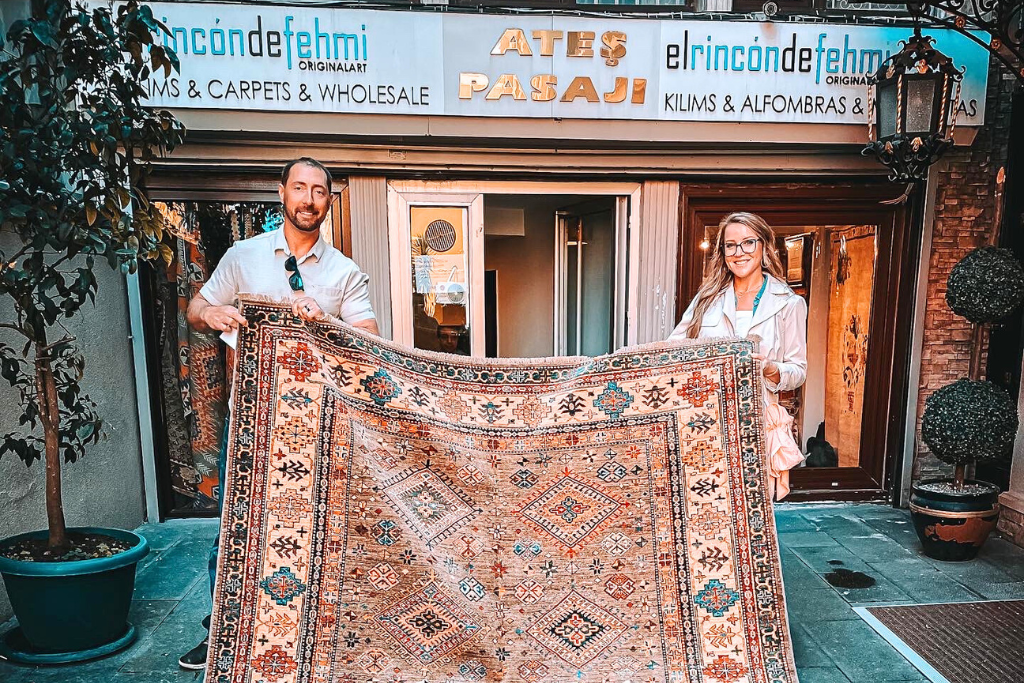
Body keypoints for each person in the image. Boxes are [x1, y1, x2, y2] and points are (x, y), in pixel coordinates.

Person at [178, 157, 379, 670]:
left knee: (317, 523)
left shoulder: (344, 272)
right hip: (248, 423)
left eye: (318, 191)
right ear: (282, 193)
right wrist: (214, 314)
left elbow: (370, 343)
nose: (308, 199)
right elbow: (195, 308)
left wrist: (330, 322)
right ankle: (222, 632)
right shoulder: (243, 257)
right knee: (234, 527)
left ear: (329, 201)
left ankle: (306, 630)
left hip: (318, 425)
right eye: (299, 188)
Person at [668, 211, 807, 500]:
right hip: (704, 420)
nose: (738, 252)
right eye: (730, 245)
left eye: (747, 243)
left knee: (751, 503)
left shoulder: (789, 304)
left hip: (755, 420)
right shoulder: (707, 299)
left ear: (764, 246)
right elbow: (673, 349)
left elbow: (798, 371)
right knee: (704, 502)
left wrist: (770, 368)